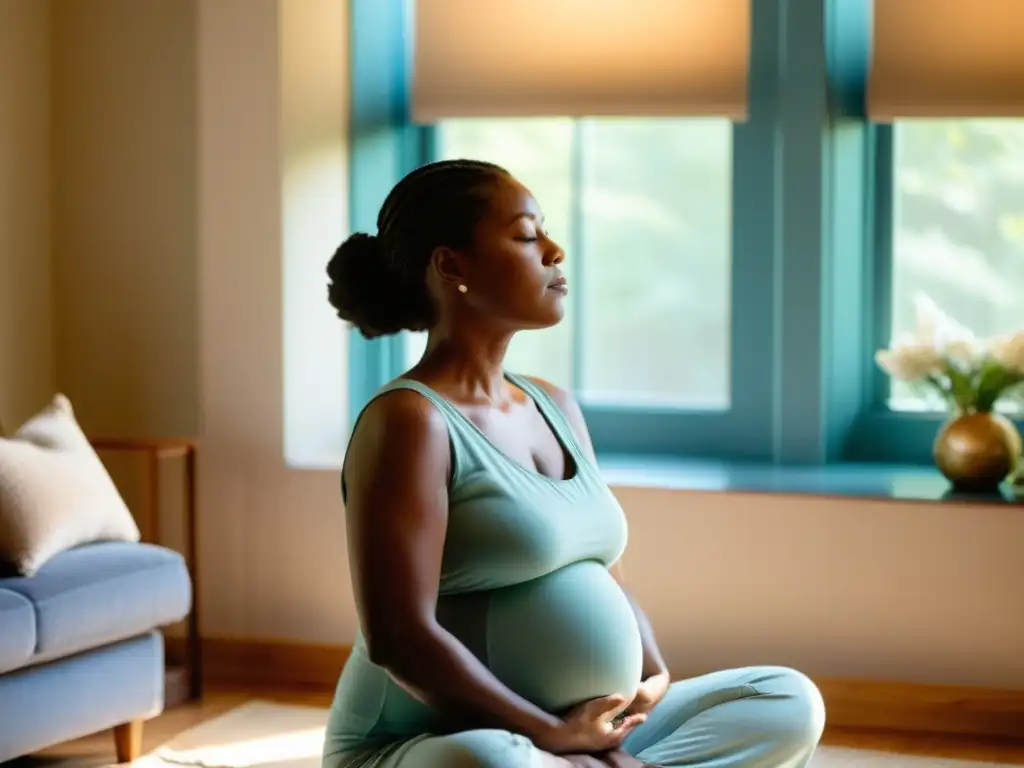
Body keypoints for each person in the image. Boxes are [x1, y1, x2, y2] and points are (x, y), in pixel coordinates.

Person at [322, 159, 825, 768]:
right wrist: (548, 736)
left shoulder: (553, 404)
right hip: (439, 742)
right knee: (493, 763)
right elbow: (398, 638)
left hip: (582, 732)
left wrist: (652, 669)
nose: (555, 251)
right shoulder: (409, 420)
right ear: (451, 265)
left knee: (785, 699)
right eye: (528, 235)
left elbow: (596, 567)